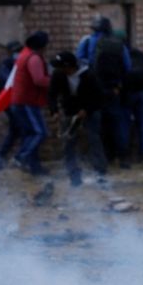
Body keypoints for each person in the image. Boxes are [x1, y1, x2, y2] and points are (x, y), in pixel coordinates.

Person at [49, 51, 106, 186]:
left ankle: (100, 173)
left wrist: (86, 110)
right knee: (68, 143)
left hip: (89, 111)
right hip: (70, 111)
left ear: (69, 67)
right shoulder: (58, 75)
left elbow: (99, 97)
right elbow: (52, 94)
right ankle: (74, 175)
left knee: (94, 140)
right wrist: (54, 111)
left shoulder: (89, 75)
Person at [81, 17, 132, 168]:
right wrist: (118, 84)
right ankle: (123, 158)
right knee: (117, 123)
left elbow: (80, 64)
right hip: (113, 90)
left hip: (94, 90)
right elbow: (127, 67)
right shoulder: (119, 44)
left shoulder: (88, 41)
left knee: (95, 126)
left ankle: (101, 160)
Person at [11, 31, 51, 175]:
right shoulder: (34, 58)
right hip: (27, 101)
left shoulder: (25, 54)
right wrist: (54, 81)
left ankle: (35, 168)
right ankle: (20, 157)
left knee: (30, 134)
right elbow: (39, 80)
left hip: (21, 100)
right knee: (40, 133)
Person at [0, 41, 23, 169]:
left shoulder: (15, 63)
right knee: (21, 129)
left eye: (19, 50)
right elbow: (8, 83)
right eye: (15, 51)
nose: (18, 53)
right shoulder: (5, 65)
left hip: (16, 102)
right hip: (9, 102)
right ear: (9, 52)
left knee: (16, 130)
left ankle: (0, 156)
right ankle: (18, 157)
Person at [122, 33, 143, 162]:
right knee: (142, 123)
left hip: (128, 92)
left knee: (125, 123)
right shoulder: (139, 54)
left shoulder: (121, 55)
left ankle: (126, 153)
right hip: (142, 92)